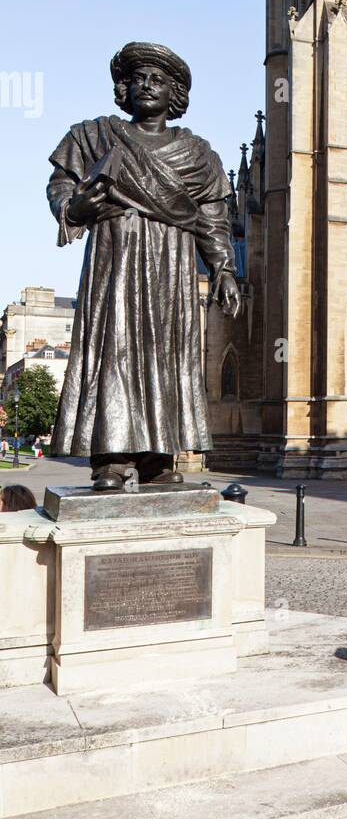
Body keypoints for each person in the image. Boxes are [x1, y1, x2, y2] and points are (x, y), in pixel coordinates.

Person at [47, 42, 241, 492]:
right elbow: (60, 185)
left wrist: (223, 270)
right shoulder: (95, 136)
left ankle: (159, 457)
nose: (146, 86)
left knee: (168, 351)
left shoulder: (197, 153)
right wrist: (74, 206)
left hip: (172, 262)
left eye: (157, 79)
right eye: (138, 78)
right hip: (115, 259)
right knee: (115, 348)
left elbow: (213, 216)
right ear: (124, 88)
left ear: (173, 92)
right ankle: (111, 459)